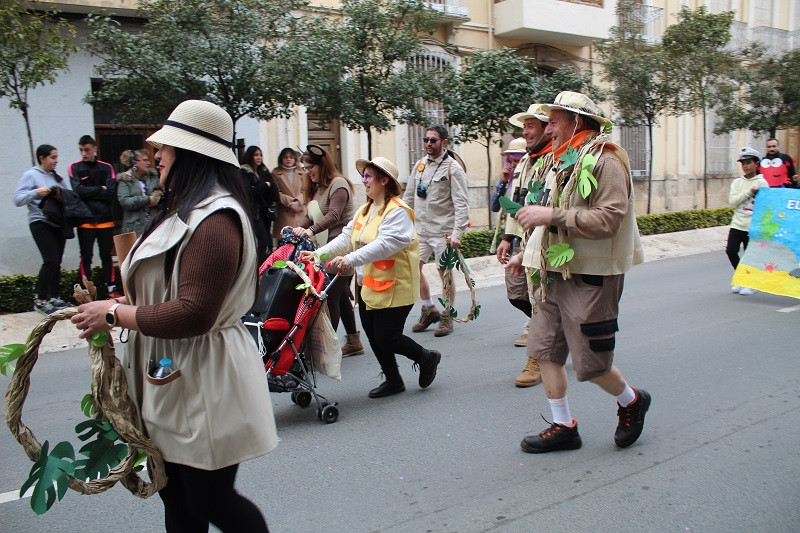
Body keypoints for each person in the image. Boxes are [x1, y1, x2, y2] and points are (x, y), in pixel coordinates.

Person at [70, 100, 277, 532]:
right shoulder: (179, 207)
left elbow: (193, 313)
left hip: (206, 377)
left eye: (166, 146)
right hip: (169, 372)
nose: (157, 153)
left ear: (191, 154)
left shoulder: (215, 218)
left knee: (211, 499)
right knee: (176, 496)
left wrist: (113, 313)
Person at [506, 91, 651, 453]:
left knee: (592, 363)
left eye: (554, 121)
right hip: (553, 271)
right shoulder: (561, 161)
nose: (548, 128)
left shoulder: (607, 160)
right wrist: (525, 252)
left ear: (577, 122)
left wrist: (549, 216)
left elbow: (610, 219)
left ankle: (631, 401)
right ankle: (563, 426)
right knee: (546, 352)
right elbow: (549, 218)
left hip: (592, 276)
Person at [302, 157, 441, 397]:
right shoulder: (364, 210)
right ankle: (393, 379)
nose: (363, 180)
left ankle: (426, 357)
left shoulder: (398, 212)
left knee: (388, 337)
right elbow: (346, 238)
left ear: (384, 180)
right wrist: (317, 254)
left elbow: (385, 244)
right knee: (374, 336)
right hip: (369, 284)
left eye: (368, 176)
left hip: (397, 286)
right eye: (363, 176)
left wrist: (351, 259)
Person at [289, 145, 363, 357]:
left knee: (329, 297)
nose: (307, 171)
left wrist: (309, 231)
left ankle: (326, 350)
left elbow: (333, 215)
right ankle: (354, 341)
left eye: (310, 166)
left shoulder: (338, 184)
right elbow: (310, 216)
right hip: (325, 248)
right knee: (338, 296)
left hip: (342, 248)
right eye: (304, 167)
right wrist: (297, 228)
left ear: (322, 165)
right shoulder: (316, 187)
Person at [499, 105, 554, 388]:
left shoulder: (555, 162)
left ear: (547, 128)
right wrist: (508, 238)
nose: (526, 131)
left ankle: (537, 359)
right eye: (525, 126)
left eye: (532, 125)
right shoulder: (524, 162)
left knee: (539, 300)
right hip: (523, 238)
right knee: (516, 295)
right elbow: (515, 202)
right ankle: (553, 331)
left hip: (544, 240)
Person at [402, 124, 470, 337]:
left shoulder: (452, 168)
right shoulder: (420, 165)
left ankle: (447, 316)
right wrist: (401, 221)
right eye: (426, 140)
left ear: (444, 142)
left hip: (444, 231)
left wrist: (457, 233)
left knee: (445, 274)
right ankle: (429, 309)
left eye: (433, 140)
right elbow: (409, 195)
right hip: (421, 230)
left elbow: (461, 204)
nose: (428, 144)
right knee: (413, 268)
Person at [14, 144, 70, 315]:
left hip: (58, 222)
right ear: (42, 158)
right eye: (53, 157)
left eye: (56, 157)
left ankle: (54, 297)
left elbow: (69, 195)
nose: (56, 161)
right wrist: (36, 192)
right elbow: (17, 200)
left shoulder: (57, 177)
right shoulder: (30, 175)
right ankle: (40, 300)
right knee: (50, 260)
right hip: (40, 221)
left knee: (57, 261)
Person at [68, 135, 120, 298]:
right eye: (81, 150)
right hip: (85, 220)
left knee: (106, 256)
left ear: (95, 149)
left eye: (87, 150)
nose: (84, 153)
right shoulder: (74, 167)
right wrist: (99, 188)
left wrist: (88, 190)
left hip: (105, 220)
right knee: (86, 257)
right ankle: (85, 291)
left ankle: (111, 290)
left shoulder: (106, 167)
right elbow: (77, 191)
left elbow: (111, 193)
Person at [727, 147, 769, 296]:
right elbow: (733, 201)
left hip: (753, 226)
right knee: (731, 251)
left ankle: (750, 283)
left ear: (756, 164)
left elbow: (766, 206)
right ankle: (742, 278)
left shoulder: (762, 183)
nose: (745, 166)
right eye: (743, 163)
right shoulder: (738, 182)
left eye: (749, 162)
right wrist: (749, 192)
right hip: (737, 223)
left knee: (749, 256)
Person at [241, 145, 280, 264]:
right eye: (256, 155)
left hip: (265, 211)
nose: (259, 157)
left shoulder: (263, 170)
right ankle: (259, 268)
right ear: (250, 156)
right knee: (262, 241)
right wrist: (264, 186)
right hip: (254, 211)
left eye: (260, 155)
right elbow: (248, 192)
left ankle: (266, 266)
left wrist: (261, 187)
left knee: (268, 241)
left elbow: (273, 187)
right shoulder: (244, 171)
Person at [117, 149, 163, 236]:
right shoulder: (125, 179)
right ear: (135, 163)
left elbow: (162, 192)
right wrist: (148, 199)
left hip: (154, 224)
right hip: (134, 228)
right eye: (145, 160)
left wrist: (157, 197)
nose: (148, 163)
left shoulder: (153, 177)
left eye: (148, 160)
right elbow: (125, 201)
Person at [271, 147, 306, 239]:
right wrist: (291, 203)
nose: (288, 159)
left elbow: (306, 190)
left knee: (302, 240)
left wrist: (298, 202)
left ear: (295, 159)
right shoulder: (276, 173)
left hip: (300, 210)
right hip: (285, 211)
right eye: (286, 157)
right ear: (281, 159)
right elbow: (276, 192)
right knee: (286, 242)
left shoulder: (302, 172)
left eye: (291, 157)